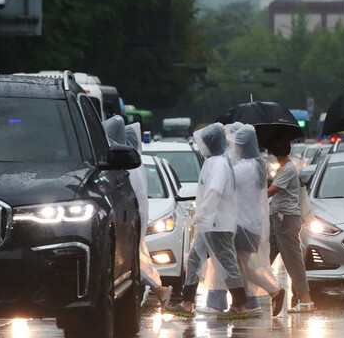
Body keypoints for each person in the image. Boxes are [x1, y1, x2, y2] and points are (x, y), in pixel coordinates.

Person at [165, 123, 249, 320]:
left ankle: (240, 305)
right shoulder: (214, 162)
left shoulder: (219, 163)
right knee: (194, 259)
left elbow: (214, 191)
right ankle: (187, 303)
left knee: (227, 262)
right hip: (209, 223)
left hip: (217, 224)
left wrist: (202, 214)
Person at [204, 125, 287, 317]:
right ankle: (245, 304)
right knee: (241, 266)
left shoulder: (247, 167)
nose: (234, 147)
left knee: (244, 267)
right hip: (246, 222)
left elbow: (228, 179)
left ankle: (272, 291)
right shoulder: (253, 164)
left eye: (236, 144)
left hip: (244, 224)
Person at [104, 117, 172, 306]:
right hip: (134, 217)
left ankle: (159, 289)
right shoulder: (136, 162)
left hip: (128, 218)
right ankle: (160, 289)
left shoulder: (126, 164)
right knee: (139, 256)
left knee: (133, 257)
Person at [267, 138, 315, 313]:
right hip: (278, 218)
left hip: (285, 219)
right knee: (264, 257)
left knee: (293, 260)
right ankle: (252, 296)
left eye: (269, 150)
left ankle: (306, 299)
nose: (268, 154)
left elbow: (271, 191)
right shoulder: (283, 168)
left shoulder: (287, 169)